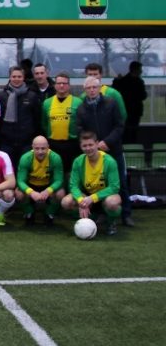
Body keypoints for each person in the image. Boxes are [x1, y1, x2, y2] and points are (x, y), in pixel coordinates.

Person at [75, 76, 132, 226]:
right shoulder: (81, 108)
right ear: (84, 90)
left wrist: (107, 142)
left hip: (113, 149)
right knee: (98, 184)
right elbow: (80, 130)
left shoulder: (111, 103)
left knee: (121, 183)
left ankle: (126, 214)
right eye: (88, 88)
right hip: (93, 152)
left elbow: (119, 125)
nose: (92, 90)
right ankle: (101, 214)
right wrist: (93, 145)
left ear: (100, 88)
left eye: (94, 87)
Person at [60, 131, 122, 235]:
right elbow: (73, 186)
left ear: (97, 144)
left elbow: (114, 187)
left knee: (112, 202)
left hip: (104, 196)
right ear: (80, 146)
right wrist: (81, 200)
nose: (88, 148)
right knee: (66, 202)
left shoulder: (109, 161)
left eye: (90, 145)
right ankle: (88, 218)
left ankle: (111, 222)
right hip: (86, 196)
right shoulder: (78, 161)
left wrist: (92, 198)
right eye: (84, 146)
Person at [0, 66, 41, 170]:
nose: (16, 79)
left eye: (19, 76)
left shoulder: (32, 96)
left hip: (26, 142)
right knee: (8, 170)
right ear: (9, 77)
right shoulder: (1, 96)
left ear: (23, 78)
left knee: (25, 169)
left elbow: (37, 120)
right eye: (14, 76)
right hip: (6, 142)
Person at [15, 136, 66, 226]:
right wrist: (31, 192)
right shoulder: (25, 158)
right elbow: (20, 181)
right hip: (31, 185)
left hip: (48, 185)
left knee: (60, 193)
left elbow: (59, 180)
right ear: (32, 147)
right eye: (37, 148)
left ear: (48, 147)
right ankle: (29, 212)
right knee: (18, 193)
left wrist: (48, 190)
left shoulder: (55, 158)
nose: (40, 152)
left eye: (43, 148)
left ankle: (49, 213)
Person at [41, 71, 82, 177]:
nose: (61, 85)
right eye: (59, 83)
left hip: (72, 145)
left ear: (69, 85)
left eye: (64, 83)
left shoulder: (78, 102)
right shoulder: (47, 103)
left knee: (71, 174)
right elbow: (44, 123)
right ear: (55, 85)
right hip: (53, 145)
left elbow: (82, 123)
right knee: (54, 173)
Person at [112, 61, 148, 143]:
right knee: (133, 130)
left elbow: (115, 89)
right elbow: (143, 96)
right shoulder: (139, 82)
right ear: (136, 70)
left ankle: (125, 143)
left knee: (125, 130)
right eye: (140, 69)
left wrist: (116, 80)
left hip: (125, 109)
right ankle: (133, 143)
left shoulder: (123, 80)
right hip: (135, 111)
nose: (141, 71)